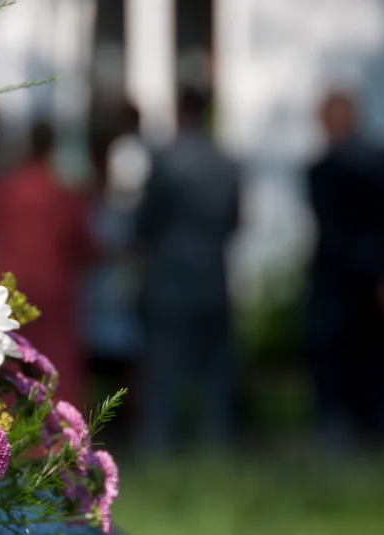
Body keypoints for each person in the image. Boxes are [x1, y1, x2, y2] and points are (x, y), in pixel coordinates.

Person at [305, 90, 384, 452]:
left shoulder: (324, 170)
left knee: (337, 373)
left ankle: (344, 450)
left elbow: (337, 234)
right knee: (382, 370)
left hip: (340, 287)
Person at [134, 87, 240, 454]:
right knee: (216, 373)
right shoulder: (227, 164)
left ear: (180, 113)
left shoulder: (166, 162)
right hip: (213, 276)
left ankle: (159, 445)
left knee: (163, 370)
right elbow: (235, 222)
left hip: (170, 278)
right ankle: (217, 446)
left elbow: (146, 222)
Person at [0, 121, 93, 408]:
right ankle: (60, 427)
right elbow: (83, 244)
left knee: (13, 361)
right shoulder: (62, 192)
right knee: (57, 361)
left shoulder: (2, 188)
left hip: (11, 286)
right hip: (53, 286)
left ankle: (13, 427)